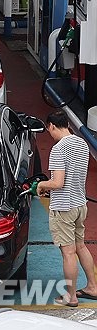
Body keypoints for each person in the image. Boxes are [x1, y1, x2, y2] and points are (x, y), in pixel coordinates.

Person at [36, 110, 97, 307]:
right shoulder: (82, 144)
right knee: (80, 247)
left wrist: (41, 186)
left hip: (64, 208)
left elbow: (58, 182)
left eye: (49, 130)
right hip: (80, 205)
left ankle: (71, 297)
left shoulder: (59, 148)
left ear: (52, 126)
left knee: (68, 253)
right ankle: (92, 287)